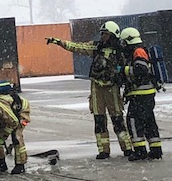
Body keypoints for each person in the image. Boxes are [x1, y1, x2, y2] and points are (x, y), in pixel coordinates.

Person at [46, 21, 134, 160]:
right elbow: (78, 47)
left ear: (113, 35)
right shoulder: (96, 47)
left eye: (105, 34)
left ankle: (127, 148)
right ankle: (103, 150)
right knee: (99, 120)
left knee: (117, 120)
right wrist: (59, 42)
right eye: (102, 34)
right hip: (96, 87)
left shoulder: (120, 51)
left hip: (112, 88)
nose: (103, 37)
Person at [119, 27, 163, 161]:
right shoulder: (139, 50)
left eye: (123, 42)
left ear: (128, 41)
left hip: (141, 94)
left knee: (133, 120)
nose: (122, 45)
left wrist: (123, 70)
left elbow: (141, 69)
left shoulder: (138, 51)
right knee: (149, 121)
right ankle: (155, 150)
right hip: (146, 94)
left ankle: (140, 151)